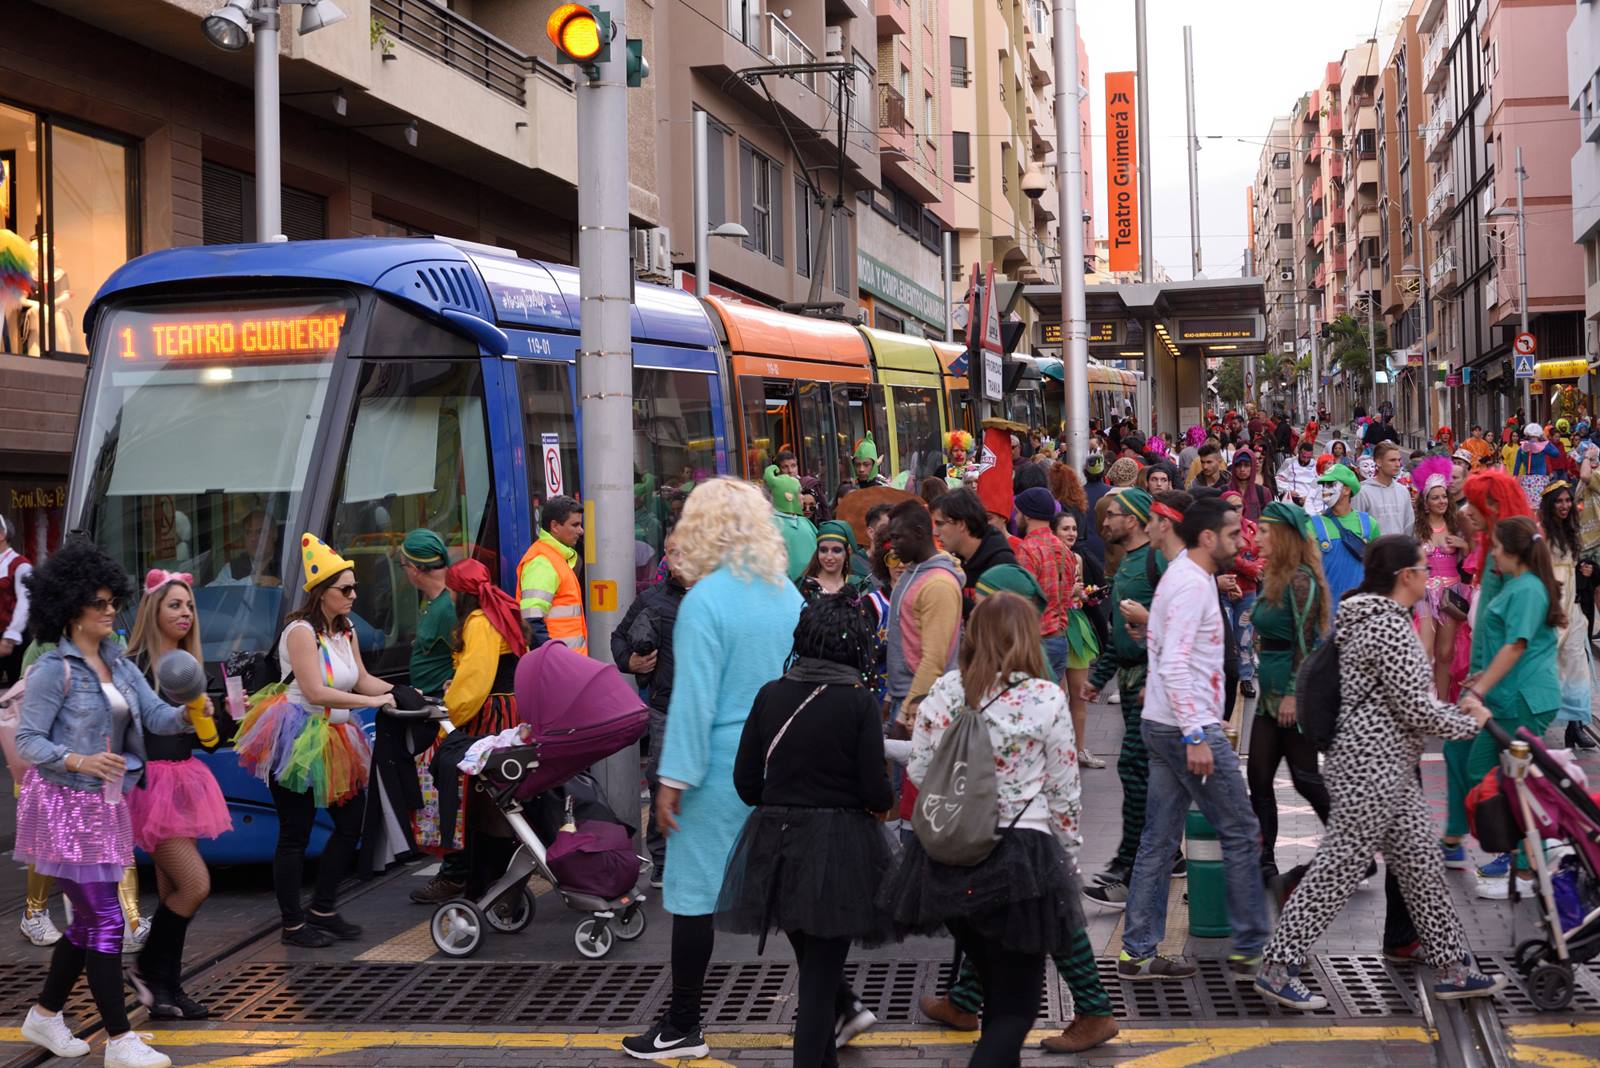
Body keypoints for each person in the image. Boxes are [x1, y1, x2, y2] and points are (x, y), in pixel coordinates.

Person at [1255, 535, 1503, 1009]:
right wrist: (1469, 722)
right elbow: (1416, 709)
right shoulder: (1388, 627)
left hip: (1387, 767)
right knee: (1338, 870)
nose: (1428, 575)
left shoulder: (1367, 618)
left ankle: (1454, 966)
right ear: (1405, 576)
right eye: (1423, 568)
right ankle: (1278, 967)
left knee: (1422, 868)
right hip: (1371, 769)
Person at [623, 479, 803, 1061]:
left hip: (719, 765)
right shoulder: (785, 593)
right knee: (784, 890)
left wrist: (671, 782)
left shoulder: (706, 602)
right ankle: (839, 1002)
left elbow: (694, 701)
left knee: (693, 893)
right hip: (781, 759)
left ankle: (682, 1024)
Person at [882, 593, 1092, 1067]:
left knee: (996, 990)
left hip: (949, 860)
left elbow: (919, 769)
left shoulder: (945, 691)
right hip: (1024, 856)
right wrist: (1068, 857)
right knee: (1016, 1008)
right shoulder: (1045, 697)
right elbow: (1064, 789)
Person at [13, 540, 196, 1068]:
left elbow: (156, 717)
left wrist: (190, 712)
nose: (111, 610)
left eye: (114, 600)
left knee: (88, 922)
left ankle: (45, 1014)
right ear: (71, 609)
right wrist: (79, 760)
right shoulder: (54, 669)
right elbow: (27, 741)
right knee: (108, 920)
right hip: (64, 808)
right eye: (99, 603)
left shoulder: (119, 663)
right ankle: (119, 1039)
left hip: (105, 807)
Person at [717, 594, 892, 1066]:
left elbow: (746, 782)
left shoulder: (770, 694)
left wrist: (784, 799)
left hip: (776, 845)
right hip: (841, 849)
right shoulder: (858, 702)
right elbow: (877, 792)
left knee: (816, 972)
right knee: (818, 986)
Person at [1115, 496, 1266, 981]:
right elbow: (1177, 662)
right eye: (1232, 535)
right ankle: (1251, 948)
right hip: (1185, 729)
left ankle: (1137, 952)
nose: (1240, 543)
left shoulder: (1182, 577)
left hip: (1165, 723)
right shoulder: (1191, 584)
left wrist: (1169, 701)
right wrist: (1197, 732)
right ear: (1207, 537)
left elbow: (1161, 646)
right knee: (1241, 830)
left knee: (1158, 840)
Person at [233, 534, 409, 947]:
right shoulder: (300, 631)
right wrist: (374, 702)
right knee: (295, 833)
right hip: (296, 736)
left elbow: (361, 678)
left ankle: (323, 908)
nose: (353, 596)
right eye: (345, 589)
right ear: (321, 592)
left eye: (354, 588)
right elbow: (315, 691)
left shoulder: (345, 630)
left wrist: (403, 692)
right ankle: (293, 925)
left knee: (351, 824)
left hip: (336, 735)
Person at [122, 571, 232, 1020]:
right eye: (175, 605)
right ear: (153, 610)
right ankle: (147, 970)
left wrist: (222, 715)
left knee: (173, 889)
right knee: (195, 885)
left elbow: (210, 743)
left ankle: (167, 988)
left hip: (185, 783)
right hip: (150, 788)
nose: (185, 613)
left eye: (189, 606)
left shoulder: (191, 666)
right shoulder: (135, 667)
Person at [1462, 515, 1563, 900]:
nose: (1493, 555)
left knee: (1515, 781)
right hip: (1508, 697)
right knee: (1485, 772)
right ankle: (1523, 853)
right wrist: (1484, 677)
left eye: (1498, 548)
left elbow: (1517, 645)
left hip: (1524, 699)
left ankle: (1526, 865)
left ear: (1515, 552)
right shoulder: (1520, 586)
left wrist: (1480, 687)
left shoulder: (1528, 589)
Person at [1080, 489, 1168, 904]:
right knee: (1141, 773)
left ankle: (1132, 864)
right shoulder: (1128, 563)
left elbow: (1177, 622)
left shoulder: (1157, 562)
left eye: (1112, 515)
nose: (1104, 523)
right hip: (1134, 683)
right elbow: (1120, 632)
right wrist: (1100, 676)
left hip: (1152, 683)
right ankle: (1149, 857)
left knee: (1136, 770)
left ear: (1132, 520)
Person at [1246, 504, 1332, 882]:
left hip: (1291, 693)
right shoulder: (1274, 574)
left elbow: (1307, 643)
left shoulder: (1301, 580)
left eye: (1265, 531)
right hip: (1270, 692)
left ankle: (1355, 848)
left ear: (1283, 535)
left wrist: (1293, 695)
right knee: (1258, 776)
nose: (1258, 537)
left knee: (1305, 777)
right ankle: (1264, 860)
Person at [614, 534, 691, 887]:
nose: (680, 559)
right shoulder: (652, 600)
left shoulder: (715, 597)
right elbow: (619, 637)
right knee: (662, 780)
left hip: (709, 710)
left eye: (687, 551)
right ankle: (661, 860)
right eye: (674, 553)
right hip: (665, 708)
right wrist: (629, 662)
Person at [885, 501, 965, 732]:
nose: (892, 546)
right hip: (904, 698)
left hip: (923, 706)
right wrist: (890, 697)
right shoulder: (911, 573)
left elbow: (934, 660)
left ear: (919, 533)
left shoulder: (938, 584)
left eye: (897, 537)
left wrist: (904, 715)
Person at [1539, 482, 1595, 750]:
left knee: (1576, 667)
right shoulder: (1541, 533)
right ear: (1550, 505)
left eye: (1567, 501)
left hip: (1572, 610)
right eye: (1559, 501)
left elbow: (1572, 570)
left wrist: (1587, 571)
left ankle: (1575, 726)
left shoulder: (1573, 531)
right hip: (1549, 609)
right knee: (1544, 665)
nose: (1564, 506)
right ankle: (1532, 721)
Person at [1410, 458, 1469, 699]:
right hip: (1425, 596)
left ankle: (1442, 704)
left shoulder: (1456, 525)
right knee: (1425, 651)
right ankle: (1424, 701)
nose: (1442, 501)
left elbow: (1473, 557)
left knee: (1445, 653)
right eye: (1435, 498)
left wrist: (1463, 544)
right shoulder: (1415, 528)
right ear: (1425, 503)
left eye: (1444, 496)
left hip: (1451, 595)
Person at [1051, 510, 1106, 770]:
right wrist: (1068, 592)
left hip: (1076, 624)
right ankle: (1058, 753)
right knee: (1057, 695)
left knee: (1079, 694)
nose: (1071, 533)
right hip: (1056, 626)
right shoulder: (1048, 558)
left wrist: (1086, 595)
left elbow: (1078, 596)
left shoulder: (1077, 559)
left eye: (1074, 528)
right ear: (1054, 532)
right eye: (1065, 528)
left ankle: (1080, 749)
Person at [1015, 487, 1075, 684]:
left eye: (1018, 512)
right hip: (1060, 640)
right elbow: (1068, 593)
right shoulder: (1064, 549)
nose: (1016, 517)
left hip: (1036, 642)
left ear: (1027, 515)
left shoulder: (1027, 549)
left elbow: (1023, 602)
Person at [517, 495, 587, 654]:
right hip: (558, 664)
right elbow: (531, 621)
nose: (581, 531)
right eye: (575, 525)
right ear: (554, 526)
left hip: (564, 662)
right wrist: (553, 658)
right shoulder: (542, 563)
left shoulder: (553, 558)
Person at [1308, 465, 1377, 607]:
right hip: (1325, 611)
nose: (1325, 490)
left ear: (1346, 490)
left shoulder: (1369, 524)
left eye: (1330, 484)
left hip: (1361, 611)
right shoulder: (1311, 524)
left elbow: (1379, 568)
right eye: (1323, 485)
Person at [931, 489, 1015, 604]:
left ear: (961, 524)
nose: (935, 532)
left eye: (940, 524)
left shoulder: (1001, 565)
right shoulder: (953, 560)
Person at [767, 465, 820, 582]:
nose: (802, 497)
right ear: (789, 497)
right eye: (799, 492)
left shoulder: (804, 522)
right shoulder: (770, 526)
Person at [208, 507, 283, 587]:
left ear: (274, 534)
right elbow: (211, 591)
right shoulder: (233, 568)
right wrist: (252, 581)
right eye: (248, 532)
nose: (253, 538)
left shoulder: (286, 563)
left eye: (260, 532)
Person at [1354, 443, 1414, 539]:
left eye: (1399, 460)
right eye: (1392, 460)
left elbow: (1409, 525)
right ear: (1379, 462)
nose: (1398, 464)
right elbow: (1358, 525)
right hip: (1374, 547)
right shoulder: (1363, 491)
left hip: (1401, 546)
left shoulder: (1403, 491)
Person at [0, 512, 32, 686]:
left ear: (2, 535)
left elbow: (25, 603)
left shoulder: (21, 565)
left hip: (13, 638)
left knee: (17, 689)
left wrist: (10, 637)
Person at [798, 521, 861, 600]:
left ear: (847, 552)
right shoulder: (805, 587)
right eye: (823, 550)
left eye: (836, 550)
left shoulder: (858, 586)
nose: (829, 557)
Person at [1276, 441, 1322, 514]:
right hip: (1292, 498)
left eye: (1308, 457)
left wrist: (1310, 496)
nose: (1305, 460)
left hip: (1308, 499)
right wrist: (1288, 491)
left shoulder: (1315, 465)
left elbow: (1318, 482)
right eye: (1303, 457)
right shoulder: (1289, 462)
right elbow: (1278, 479)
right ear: (1299, 453)